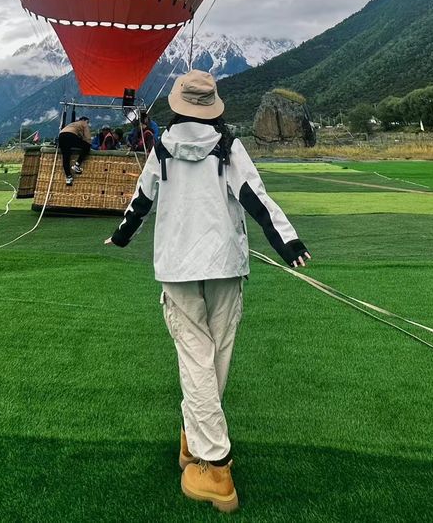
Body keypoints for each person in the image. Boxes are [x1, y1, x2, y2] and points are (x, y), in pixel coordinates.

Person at [104, 70, 310, 512]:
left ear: (177, 104)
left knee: (195, 356)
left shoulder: (162, 148)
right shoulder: (228, 145)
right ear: (211, 106)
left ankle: (215, 465)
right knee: (217, 355)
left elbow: (141, 201)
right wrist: (288, 243)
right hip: (225, 264)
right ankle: (197, 435)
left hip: (177, 266)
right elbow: (256, 197)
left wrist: (121, 236)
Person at [56, 116, 91, 186]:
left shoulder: (73, 124)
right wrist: (89, 145)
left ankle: (68, 177)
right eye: (88, 122)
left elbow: (79, 135)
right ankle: (77, 165)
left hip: (61, 136)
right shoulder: (84, 123)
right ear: (85, 120)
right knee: (87, 146)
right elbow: (87, 138)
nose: (88, 124)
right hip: (70, 135)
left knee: (66, 156)